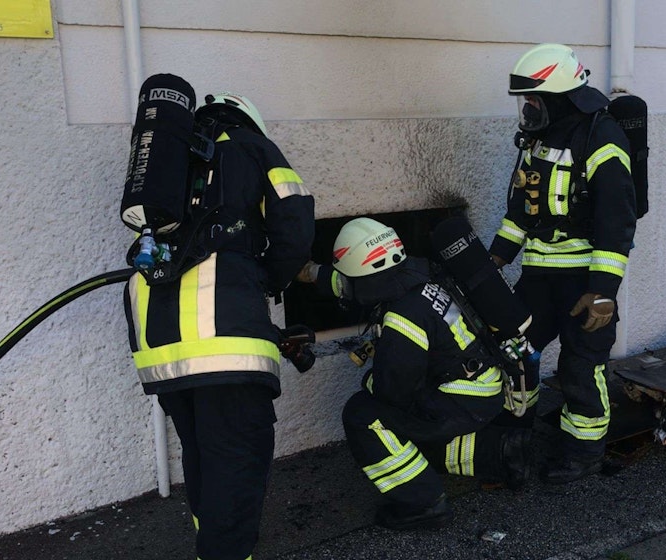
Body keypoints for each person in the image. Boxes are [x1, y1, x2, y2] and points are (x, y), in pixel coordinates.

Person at [124, 92, 315, 560]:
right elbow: (295, 221)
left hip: (158, 340)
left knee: (202, 453)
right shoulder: (251, 145)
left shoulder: (169, 161)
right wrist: (263, 279)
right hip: (221, 331)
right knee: (238, 457)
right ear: (249, 119)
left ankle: (211, 546)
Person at [297, 217, 530, 530]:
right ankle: (501, 452)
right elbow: (352, 281)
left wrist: (369, 382)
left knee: (363, 414)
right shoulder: (419, 273)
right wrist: (311, 273)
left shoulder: (402, 317)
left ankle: (424, 504)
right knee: (407, 440)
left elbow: (393, 392)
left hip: (461, 400)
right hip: (483, 386)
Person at [489, 44, 637, 484]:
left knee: (579, 367)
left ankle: (584, 454)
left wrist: (603, 292)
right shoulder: (538, 140)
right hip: (538, 277)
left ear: (557, 97)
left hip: (583, 283)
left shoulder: (603, 139)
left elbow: (617, 220)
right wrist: (495, 258)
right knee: (517, 354)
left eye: (533, 100)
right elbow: (521, 209)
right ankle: (516, 439)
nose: (527, 109)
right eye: (524, 101)